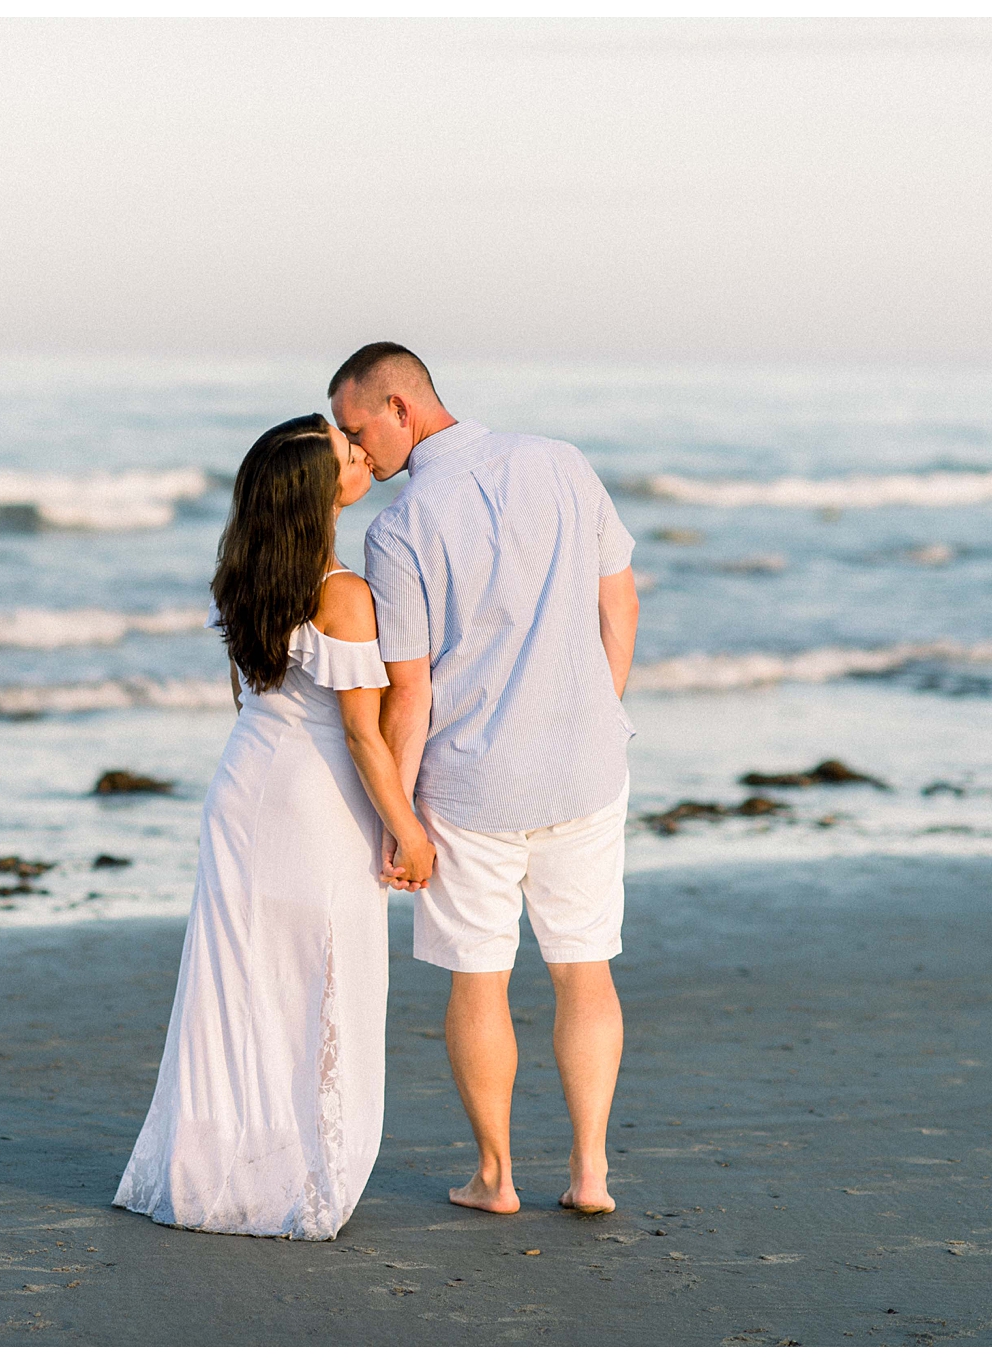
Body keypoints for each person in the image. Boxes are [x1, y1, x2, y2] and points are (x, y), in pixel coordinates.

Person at [330, 342, 640, 1218]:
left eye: (358, 430)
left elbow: (412, 688)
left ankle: (496, 1177)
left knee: (480, 978)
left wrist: (398, 815)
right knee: (585, 970)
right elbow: (620, 605)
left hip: (470, 785)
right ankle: (590, 1174)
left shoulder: (397, 528)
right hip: (585, 767)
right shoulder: (561, 463)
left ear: (400, 407)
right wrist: (593, 713)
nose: (359, 455)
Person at [113, 413, 436, 1240]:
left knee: (237, 985)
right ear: (317, 492)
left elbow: (256, 694)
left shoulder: (246, 574)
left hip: (242, 784)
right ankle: (300, 1173)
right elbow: (363, 735)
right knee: (321, 978)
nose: (361, 455)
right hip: (311, 802)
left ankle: (211, 1168)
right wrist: (409, 831)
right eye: (344, 452)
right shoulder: (344, 592)